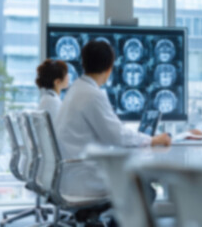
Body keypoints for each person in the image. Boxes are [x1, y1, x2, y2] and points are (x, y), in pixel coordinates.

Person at [56, 41, 171, 197]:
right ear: (110, 67)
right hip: (84, 177)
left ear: (83, 63)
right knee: (146, 190)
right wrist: (152, 140)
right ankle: (114, 222)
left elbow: (112, 132)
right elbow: (116, 136)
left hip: (72, 173)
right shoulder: (92, 94)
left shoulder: (76, 89)